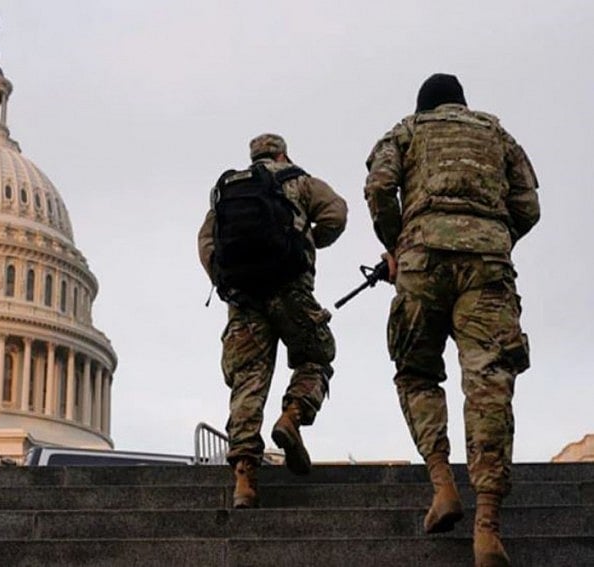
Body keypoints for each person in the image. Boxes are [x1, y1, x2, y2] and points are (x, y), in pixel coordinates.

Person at [364, 74, 540, 566]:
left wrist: (397, 240)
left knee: (416, 371)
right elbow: (528, 205)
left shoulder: (407, 130)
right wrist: (492, 235)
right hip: (487, 263)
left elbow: (379, 187)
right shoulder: (498, 135)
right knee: (488, 381)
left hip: (420, 260)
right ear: (462, 104)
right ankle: (487, 528)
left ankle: (443, 485)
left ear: (425, 105)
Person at [198, 133, 347, 508]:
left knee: (248, 383)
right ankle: (293, 416)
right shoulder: (299, 180)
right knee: (316, 356)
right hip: (291, 291)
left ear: (253, 158)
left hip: (244, 301)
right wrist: (306, 241)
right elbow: (337, 214)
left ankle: (245, 478)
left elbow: (206, 243)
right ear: (282, 153)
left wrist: (225, 280)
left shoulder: (227, 190)